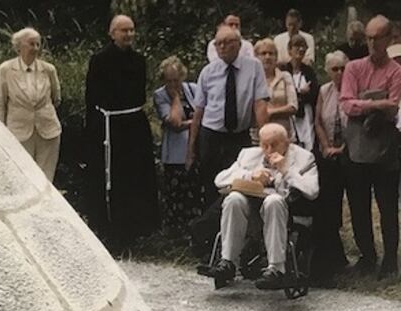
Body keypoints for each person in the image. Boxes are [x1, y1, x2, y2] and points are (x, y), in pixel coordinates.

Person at [204, 123, 319, 288]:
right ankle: (228, 262)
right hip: (250, 207)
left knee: (273, 201)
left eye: (275, 144)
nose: (269, 149)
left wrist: (285, 170)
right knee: (233, 198)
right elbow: (220, 180)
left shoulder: (304, 158)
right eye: (265, 145)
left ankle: (276, 269)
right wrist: (250, 175)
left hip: (284, 208)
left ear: (287, 142)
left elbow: (312, 190)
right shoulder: (248, 155)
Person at [84, 15, 160, 252]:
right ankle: (109, 230)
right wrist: (93, 129)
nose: (128, 35)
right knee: (111, 179)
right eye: (123, 30)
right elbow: (92, 96)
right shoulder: (99, 60)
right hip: (109, 125)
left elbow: (139, 95)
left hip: (133, 126)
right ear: (112, 33)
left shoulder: (139, 60)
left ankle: (134, 231)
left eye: (131, 30)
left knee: (135, 177)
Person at [340, 15, 401, 279]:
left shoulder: (396, 71)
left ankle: (389, 259)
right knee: (358, 206)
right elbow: (346, 103)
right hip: (356, 148)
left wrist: (363, 103)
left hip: (385, 150)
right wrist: (377, 103)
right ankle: (367, 256)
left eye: (378, 38)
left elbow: (395, 107)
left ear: (390, 39)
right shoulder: (353, 68)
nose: (373, 43)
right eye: (369, 37)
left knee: (387, 207)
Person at [187, 25, 269, 209]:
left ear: (239, 45)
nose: (222, 47)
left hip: (239, 135)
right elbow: (198, 112)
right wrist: (191, 149)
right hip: (212, 135)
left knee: (240, 183)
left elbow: (260, 104)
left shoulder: (254, 67)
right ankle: (211, 231)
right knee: (211, 183)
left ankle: (238, 229)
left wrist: (266, 139)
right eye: (218, 44)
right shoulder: (208, 72)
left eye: (227, 42)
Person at [0, 27, 62, 182]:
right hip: (18, 131)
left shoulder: (48, 69)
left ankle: (46, 206)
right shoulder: (6, 69)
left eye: (38, 44)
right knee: (22, 177)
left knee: (46, 177)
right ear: (19, 46)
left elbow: (56, 98)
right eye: (31, 44)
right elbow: (0, 102)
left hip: (48, 130)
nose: (35, 48)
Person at [311, 51, 351, 285]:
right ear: (327, 70)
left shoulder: (353, 89)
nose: (339, 73)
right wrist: (325, 146)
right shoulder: (324, 91)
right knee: (328, 204)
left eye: (343, 68)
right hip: (327, 155)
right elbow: (317, 121)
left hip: (350, 153)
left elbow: (355, 124)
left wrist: (343, 147)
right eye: (334, 69)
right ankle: (332, 255)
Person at [153, 56, 202, 233]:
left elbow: (202, 114)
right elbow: (174, 122)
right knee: (176, 194)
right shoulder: (160, 96)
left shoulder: (193, 89)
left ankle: (195, 230)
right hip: (174, 153)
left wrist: (188, 123)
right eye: (169, 80)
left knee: (195, 191)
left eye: (176, 79)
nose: (174, 83)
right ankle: (176, 233)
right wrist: (174, 98)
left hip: (196, 147)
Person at [253, 38, 298, 140]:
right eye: (263, 53)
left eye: (271, 53)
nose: (267, 57)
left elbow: (293, 106)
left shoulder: (285, 77)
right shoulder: (251, 80)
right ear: (256, 57)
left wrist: (270, 112)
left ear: (276, 57)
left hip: (283, 136)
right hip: (257, 138)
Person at [280, 34, 319, 150]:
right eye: (297, 46)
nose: (301, 49)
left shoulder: (309, 72)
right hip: (288, 115)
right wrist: (300, 93)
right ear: (289, 49)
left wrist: (302, 95)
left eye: (303, 47)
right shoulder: (283, 71)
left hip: (306, 116)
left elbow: (314, 94)